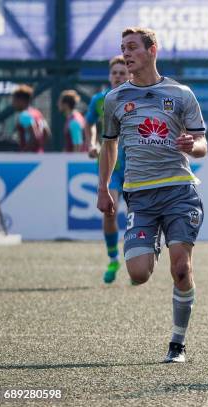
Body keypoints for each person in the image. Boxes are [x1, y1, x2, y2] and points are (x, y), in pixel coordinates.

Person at [97, 27, 207, 363]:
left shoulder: (181, 94)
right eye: (122, 48)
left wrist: (194, 145)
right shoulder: (114, 99)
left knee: (181, 270)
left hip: (179, 192)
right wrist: (103, 188)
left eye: (132, 48)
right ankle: (151, 246)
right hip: (139, 197)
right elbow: (109, 145)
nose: (126, 54)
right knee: (138, 274)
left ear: (152, 50)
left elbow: (202, 145)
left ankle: (178, 344)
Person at [84, 55, 130, 283]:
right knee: (109, 212)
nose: (118, 76)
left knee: (137, 216)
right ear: (109, 76)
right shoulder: (99, 101)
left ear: (130, 75)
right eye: (115, 73)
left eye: (123, 73)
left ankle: (136, 259)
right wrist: (91, 143)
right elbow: (89, 122)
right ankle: (113, 258)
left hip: (135, 166)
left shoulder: (138, 99)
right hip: (109, 165)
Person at [11, 84, 49, 152]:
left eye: (14, 100)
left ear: (21, 100)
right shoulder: (38, 113)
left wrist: (24, 152)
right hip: (39, 154)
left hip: (29, 158)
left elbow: (34, 136)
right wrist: (39, 148)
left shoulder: (24, 115)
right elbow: (46, 133)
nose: (13, 103)